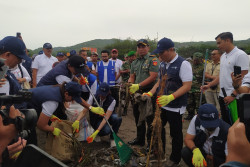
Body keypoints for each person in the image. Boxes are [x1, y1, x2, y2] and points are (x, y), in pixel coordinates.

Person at [145, 37, 192, 166]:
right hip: (162, 104)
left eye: (162, 52)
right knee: (156, 128)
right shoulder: (162, 64)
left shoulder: (183, 64)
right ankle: (159, 153)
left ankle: (175, 159)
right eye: (158, 53)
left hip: (175, 106)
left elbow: (187, 86)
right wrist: (151, 92)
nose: (160, 55)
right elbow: (159, 81)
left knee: (175, 133)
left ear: (171, 50)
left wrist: (171, 97)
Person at [26, 82, 104, 142]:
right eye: (72, 98)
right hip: (23, 107)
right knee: (29, 138)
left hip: (31, 105)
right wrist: (53, 130)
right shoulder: (53, 102)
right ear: (66, 94)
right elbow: (41, 125)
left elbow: (40, 102)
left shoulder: (60, 88)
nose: (73, 101)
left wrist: (90, 107)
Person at [201, 32, 249, 125]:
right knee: (226, 123)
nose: (218, 46)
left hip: (235, 98)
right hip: (223, 96)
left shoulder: (240, 55)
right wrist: (210, 85)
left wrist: (233, 95)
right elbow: (222, 75)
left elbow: (244, 77)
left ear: (227, 40)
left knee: (237, 125)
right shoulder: (223, 56)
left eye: (219, 43)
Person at [127, 39, 159, 147]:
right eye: (139, 47)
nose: (141, 49)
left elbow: (153, 76)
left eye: (143, 46)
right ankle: (140, 140)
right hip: (137, 93)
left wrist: (139, 85)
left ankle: (150, 144)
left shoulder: (152, 60)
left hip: (149, 92)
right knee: (138, 117)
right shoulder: (135, 62)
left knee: (149, 119)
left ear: (148, 48)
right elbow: (132, 77)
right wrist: (130, 85)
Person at [73, 82, 122, 147]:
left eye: (103, 95)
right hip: (96, 119)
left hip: (106, 118)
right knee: (106, 130)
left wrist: (98, 130)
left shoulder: (112, 101)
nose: (101, 96)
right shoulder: (93, 97)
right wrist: (77, 120)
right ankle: (97, 132)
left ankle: (112, 138)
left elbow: (106, 118)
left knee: (118, 118)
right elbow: (84, 111)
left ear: (108, 92)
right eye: (100, 94)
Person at [186, 52, 204, 120]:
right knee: (189, 103)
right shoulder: (190, 66)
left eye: (197, 60)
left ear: (200, 59)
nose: (195, 61)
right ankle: (190, 114)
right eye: (194, 59)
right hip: (190, 88)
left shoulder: (203, 67)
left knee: (199, 104)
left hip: (198, 89)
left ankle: (199, 116)